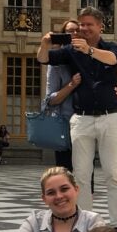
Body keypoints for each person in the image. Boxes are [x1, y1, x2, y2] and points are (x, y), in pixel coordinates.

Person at [37, 6, 117, 226]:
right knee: (81, 176)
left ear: (99, 27)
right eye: (81, 24)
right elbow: (44, 59)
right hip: (82, 119)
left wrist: (89, 51)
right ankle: (86, 223)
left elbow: (113, 59)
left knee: (113, 174)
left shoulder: (110, 47)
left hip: (109, 117)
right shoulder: (70, 51)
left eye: (89, 25)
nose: (84, 29)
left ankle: (116, 223)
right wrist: (45, 42)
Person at [44, 19, 82, 172]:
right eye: (69, 32)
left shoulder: (89, 57)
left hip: (87, 125)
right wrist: (71, 85)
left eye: (77, 31)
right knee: (66, 172)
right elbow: (51, 100)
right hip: (65, 125)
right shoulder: (56, 65)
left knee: (85, 174)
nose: (74, 34)